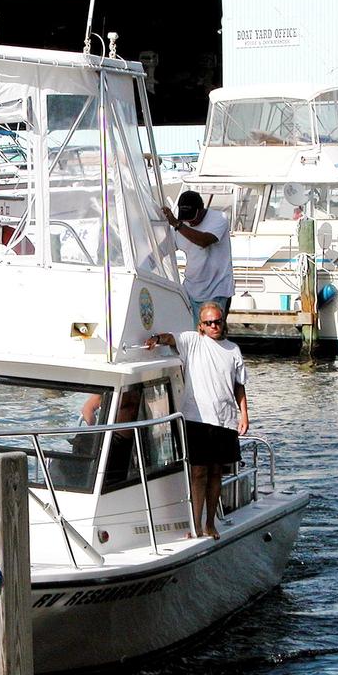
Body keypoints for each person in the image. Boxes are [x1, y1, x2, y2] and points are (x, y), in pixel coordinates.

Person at [145, 302, 249, 539]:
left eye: (218, 321)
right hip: (197, 418)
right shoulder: (193, 341)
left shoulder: (233, 350)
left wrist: (244, 415)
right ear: (201, 325)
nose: (214, 326)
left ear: (224, 322)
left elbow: (239, 386)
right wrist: (156, 338)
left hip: (225, 420)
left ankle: (210, 523)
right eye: (209, 322)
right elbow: (171, 338)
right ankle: (195, 525)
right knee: (198, 473)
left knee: (215, 474)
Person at [163, 189, 234, 324]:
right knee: (192, 336)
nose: (191, 222)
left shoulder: (219, 218)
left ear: (201, 209)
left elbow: (204, 241)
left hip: (216, 291)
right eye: (186, 218)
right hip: (190, 291)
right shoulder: (181, 227)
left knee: (211, 337)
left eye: (193, 217)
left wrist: (178, 224)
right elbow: (161, 250)